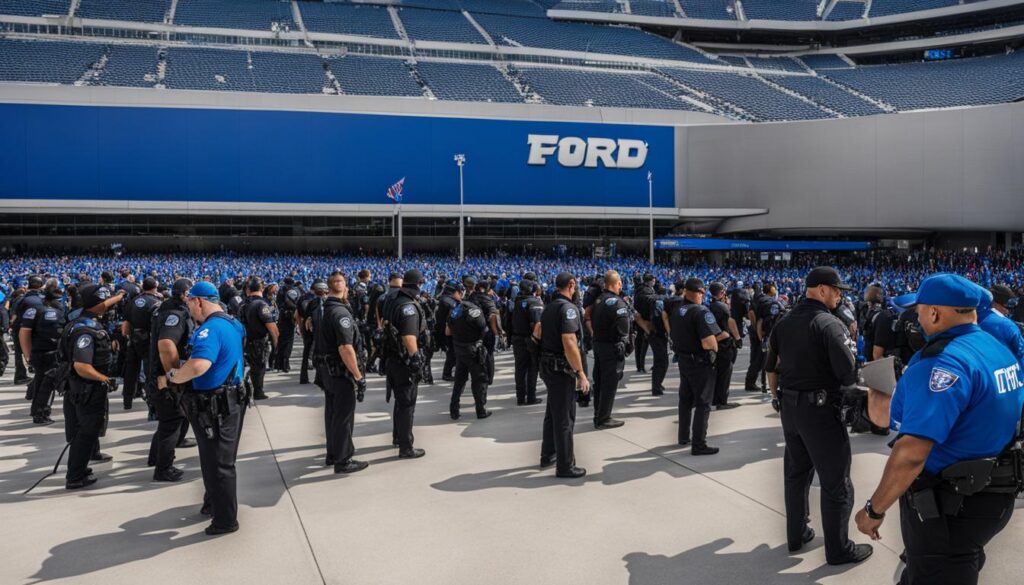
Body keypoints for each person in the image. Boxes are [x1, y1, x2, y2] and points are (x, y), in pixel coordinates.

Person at [855, 274, 1024, 585]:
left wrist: (874, 510)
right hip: (990, 496)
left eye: (918, 309)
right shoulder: (995, 347)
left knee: (938, 570)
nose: (916, 317)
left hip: (951, 506)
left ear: (934, 312)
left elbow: (911, 453)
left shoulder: (940, 363)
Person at [764, 267, 873, 565]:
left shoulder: (783, 322)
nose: (839, 296)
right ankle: (838, 549)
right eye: (837, 290)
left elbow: (771, 367)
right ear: (822, 290)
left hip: (789, 408)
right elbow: (849, 372)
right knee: (836, 482)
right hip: (821, 412)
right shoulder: (829, 324)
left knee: (796, 474)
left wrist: (779, 398)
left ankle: (796, 534)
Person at [167, 281, 245, 536]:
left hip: (215, 406)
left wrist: (174, 376)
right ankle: (214, 503)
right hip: (230, 400)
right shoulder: (233, 323)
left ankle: (225, 520)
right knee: (220, 459)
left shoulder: (209, 330)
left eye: (190, 302)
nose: (189, 308)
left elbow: (199, 365)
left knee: (217, 465)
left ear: (199, 301)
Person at [62, 284, 123, 489]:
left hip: (78, 388)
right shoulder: (86, 331)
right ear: (96, 304)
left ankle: (79, 469)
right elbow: (82, 366)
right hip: (87, 388)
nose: (106, 305)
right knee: (86, 433)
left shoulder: (78, 321)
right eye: (103, 302)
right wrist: (104, 379)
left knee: (82, 431)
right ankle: (75, 476)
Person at [312, 271, 368, 474]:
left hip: (326, 370)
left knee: (332, 414)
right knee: (344, 416)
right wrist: (358, 376)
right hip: (340, 371)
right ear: (344, 288)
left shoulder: (321, 310)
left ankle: (333, 453)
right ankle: (343, 459)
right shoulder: (340, 313)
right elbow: (346, 347)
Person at [539, 272, 589, 478]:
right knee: (565, 418)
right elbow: (569, 341)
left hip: (548, 365)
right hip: (561, 368)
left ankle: (548, 454)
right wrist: (580, 373)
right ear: (571, 284)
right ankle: (565, 465)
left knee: (552, 413)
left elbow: (538, 332)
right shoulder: (568, 309)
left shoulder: (549, 306)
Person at [147, 278, 197, 482]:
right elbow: (167, 345)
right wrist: (175, 376)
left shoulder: (164, 308)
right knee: (171, 423)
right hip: (164, 375)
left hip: (157, 372)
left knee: (167, 421)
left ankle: (154, 458)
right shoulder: (175, 314)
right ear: (184, 294)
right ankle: (163, 469)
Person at [668, 278, 724, 455]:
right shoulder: (701, 312)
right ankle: (699, 444)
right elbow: (709, 342)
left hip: (684, 360)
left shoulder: (678, 310)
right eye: (702, 292)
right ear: (699, 292)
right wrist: (715, 350)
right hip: (700, 362)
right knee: (703, 403)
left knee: (685, 399)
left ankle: (683, 436)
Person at [382, 269, 427, 459]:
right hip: (404, 360)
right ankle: (406, 446)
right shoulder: (409, 305)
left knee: (400, 401)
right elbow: (409, 336)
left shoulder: (391, 299)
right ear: (418, 284)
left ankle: (397, 436)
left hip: (392, 357)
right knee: (407, 404)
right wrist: (415, 359)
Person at [587, 270, 630, 429]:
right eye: (620, 284)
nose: (621, 287)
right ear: (616, 283)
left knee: (599, 382)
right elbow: (623, 329)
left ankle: (598, 414)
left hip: (599, 344)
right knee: (609, 383)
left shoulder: (598, 299)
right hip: (612, 347)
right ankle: (604, 418)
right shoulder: (618, 303)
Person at [20, 283, 66, 424]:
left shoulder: (34, 310)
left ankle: (36, 411)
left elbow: (24, 333)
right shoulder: (58, 310)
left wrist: (27, 355)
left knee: (40, 382)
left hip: (38, 352)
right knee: (47, 386)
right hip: (50, 353)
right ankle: (41, 413)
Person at [446, 283, 492, 420]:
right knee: (479, 380)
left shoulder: (455, 309)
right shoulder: (474, 310)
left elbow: (448, 330)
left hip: (459, 348)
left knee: (459, 380)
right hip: (473, 350)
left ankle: (454, 410)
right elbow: (484, 329)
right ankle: (481, 409)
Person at [120, 277, 161, 410]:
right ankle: (152, 405)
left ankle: (127, 402)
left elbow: (125, 327)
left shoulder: (132, 301)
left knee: (130, 372)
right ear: (155, 288)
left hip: (134, 340)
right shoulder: (156, 302)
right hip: (148, 340)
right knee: (150, 373)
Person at [240, 277, 278, 401]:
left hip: (244, 341)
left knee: (248, 367)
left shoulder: (242, 304)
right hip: (258, 341)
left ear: (248, 289)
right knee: (259, 368)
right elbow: (272, 327)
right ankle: (258, 392)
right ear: (261, 288)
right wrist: (277, 344)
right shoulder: (261, 304)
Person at [510, 280, 544, 406]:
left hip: (516, 338)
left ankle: (520, 397)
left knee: (519, 368)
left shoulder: (516, 302)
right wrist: (537, 341)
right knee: (532, 368)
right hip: (530, 339)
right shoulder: (534, 302)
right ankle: (531, 397)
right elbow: (538, 323)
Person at [708, 282, 741, 410]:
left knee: (718, 373)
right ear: (721, 292)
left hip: (716, 345)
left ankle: (716, 399)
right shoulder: (722, 306)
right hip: (724, 344)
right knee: (725, 373)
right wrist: (737, 337)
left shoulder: (711, 306)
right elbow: (730, 322)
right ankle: (722, 401)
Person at [977, 284, 1024, 364]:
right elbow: (1021, 354)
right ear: (996, 303)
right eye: (1008, 305)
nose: (1008, 311)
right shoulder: (1008, 326)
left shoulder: (973, 317)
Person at [297, 280, 327, 385]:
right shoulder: (322, 301)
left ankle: (304, 378)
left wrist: (301, 329)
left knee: (306, 354)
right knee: (321, 353)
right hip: (318, 330)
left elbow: (299, 316)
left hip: (307, 329)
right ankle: (319, 378)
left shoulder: (303, 298)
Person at [645, 284, 669, 396]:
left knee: (659, 361)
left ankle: (658, 384)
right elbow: (658, 317)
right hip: (658, 334)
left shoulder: (651, 300)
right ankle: (656, 387)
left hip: (653, 334)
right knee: (661, 362)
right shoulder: (660, 301)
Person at [435, 281, 459, 382]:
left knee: (452, 353)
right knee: (452, 353)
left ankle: (449, 372)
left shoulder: (445, 298)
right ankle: (447, 374)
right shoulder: (449, 301)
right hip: (447, 331)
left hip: (444, 329)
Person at [274, 277, 300, 372]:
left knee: (281, 341)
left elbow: (279, 303)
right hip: (289, 318)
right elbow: (295, 304)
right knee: (288, 342)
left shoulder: (281, 291)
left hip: (282, 318)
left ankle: (278, 364)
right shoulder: (293, 291)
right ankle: (285, 364)